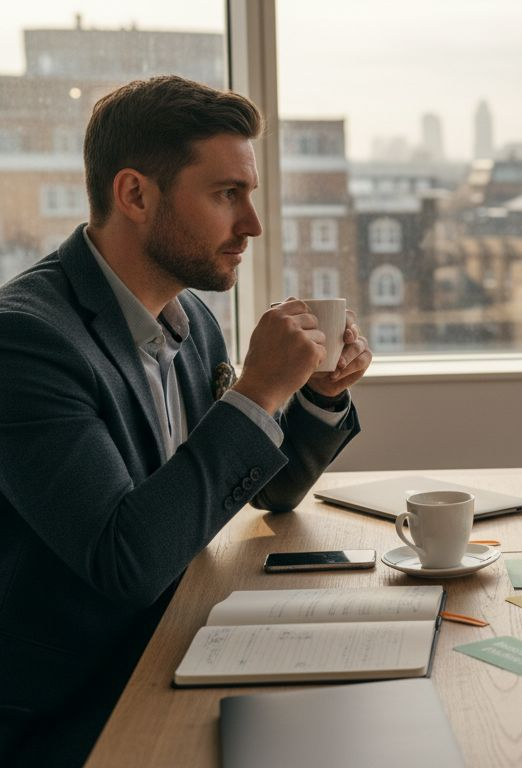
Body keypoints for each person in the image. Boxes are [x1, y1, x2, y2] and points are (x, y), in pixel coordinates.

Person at [0, 76, 370, 764]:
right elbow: (126, 560)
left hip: (176, 638)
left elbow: (264, 491)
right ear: (136, 195)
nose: (252, 225)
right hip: (70, 707)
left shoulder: (189, 318)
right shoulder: (24, 344)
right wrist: (258, 392)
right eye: (228, 194)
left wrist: (313, 395)